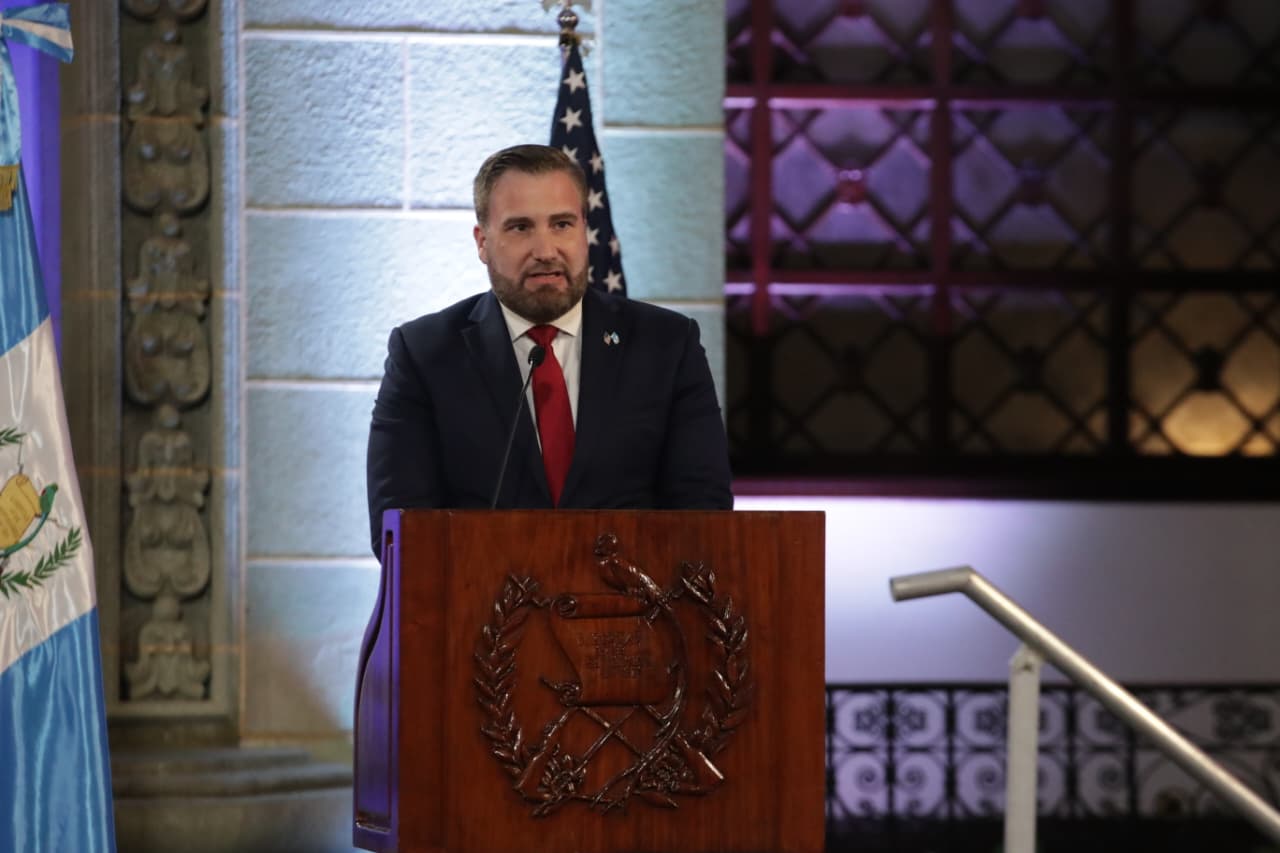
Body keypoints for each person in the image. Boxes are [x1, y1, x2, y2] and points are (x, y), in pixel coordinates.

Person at [365, 144, 732, 554]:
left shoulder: (667, 345)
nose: (545, 251)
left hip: (630, 592)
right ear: (482, 242)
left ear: (584, 230)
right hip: (482, 594)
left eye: (561, 224)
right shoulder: (424, 355)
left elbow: (704, 515)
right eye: (520, 227)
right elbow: (401, 535)